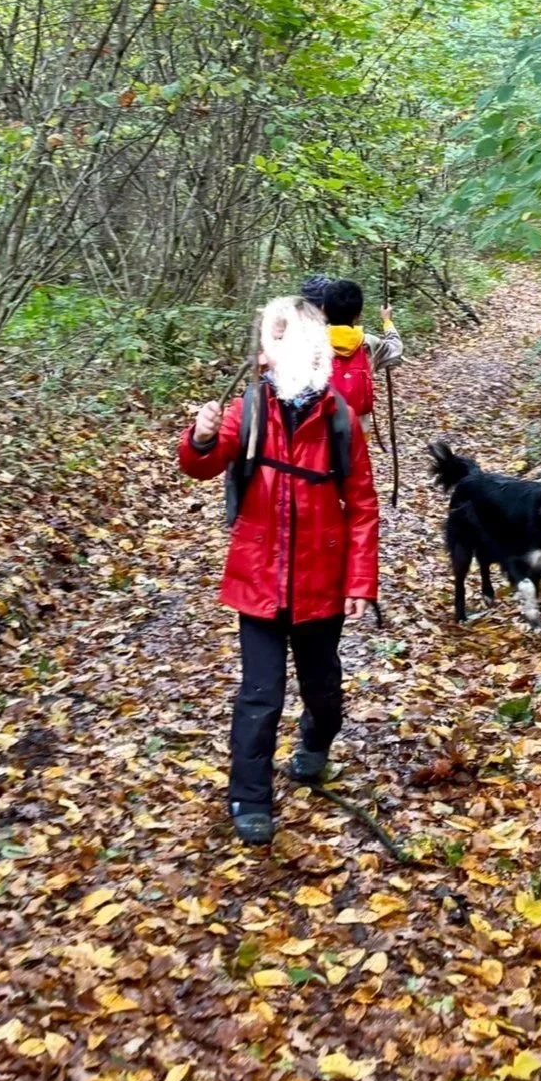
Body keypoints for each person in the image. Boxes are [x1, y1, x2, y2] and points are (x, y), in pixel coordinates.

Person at [181, 294, 379, 847]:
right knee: (259, 695)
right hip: (258, 581)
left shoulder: (339, 420)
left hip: (321, 584)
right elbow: (202, 463)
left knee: (323, 692)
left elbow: (362, 506)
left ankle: (314, 748)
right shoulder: (247, 411)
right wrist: (199, 436)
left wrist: (361, 581)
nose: (275, 357)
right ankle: (250, 797)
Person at [299, 275, 403, 428]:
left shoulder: (308, 344)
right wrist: (387, 321)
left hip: (322, 432)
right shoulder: (369, 343)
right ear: (358, 315)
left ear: (323, 310)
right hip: (358, 429)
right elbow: (396, 347)